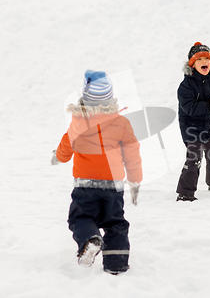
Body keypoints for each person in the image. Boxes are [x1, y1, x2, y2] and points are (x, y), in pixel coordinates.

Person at [51, 70, 142, 274]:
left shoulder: (78, 122)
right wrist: (135, 180)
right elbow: (132, 153)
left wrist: (58, 157)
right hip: (113, 185)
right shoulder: (121, 123)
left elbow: (66, 146)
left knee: (80, 218)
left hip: (85, 185)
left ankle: (90, 239)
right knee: (114, 222)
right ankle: (116, 264)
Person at [176, 42, 210, 202]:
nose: (204, 62)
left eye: (207, 58)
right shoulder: (186, 85)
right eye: (199, 59)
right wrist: (209, 104)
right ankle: (185, 192)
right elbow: (189, 108)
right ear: (192, 64)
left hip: (207, 127)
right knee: (194, 158)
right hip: (190, 129)